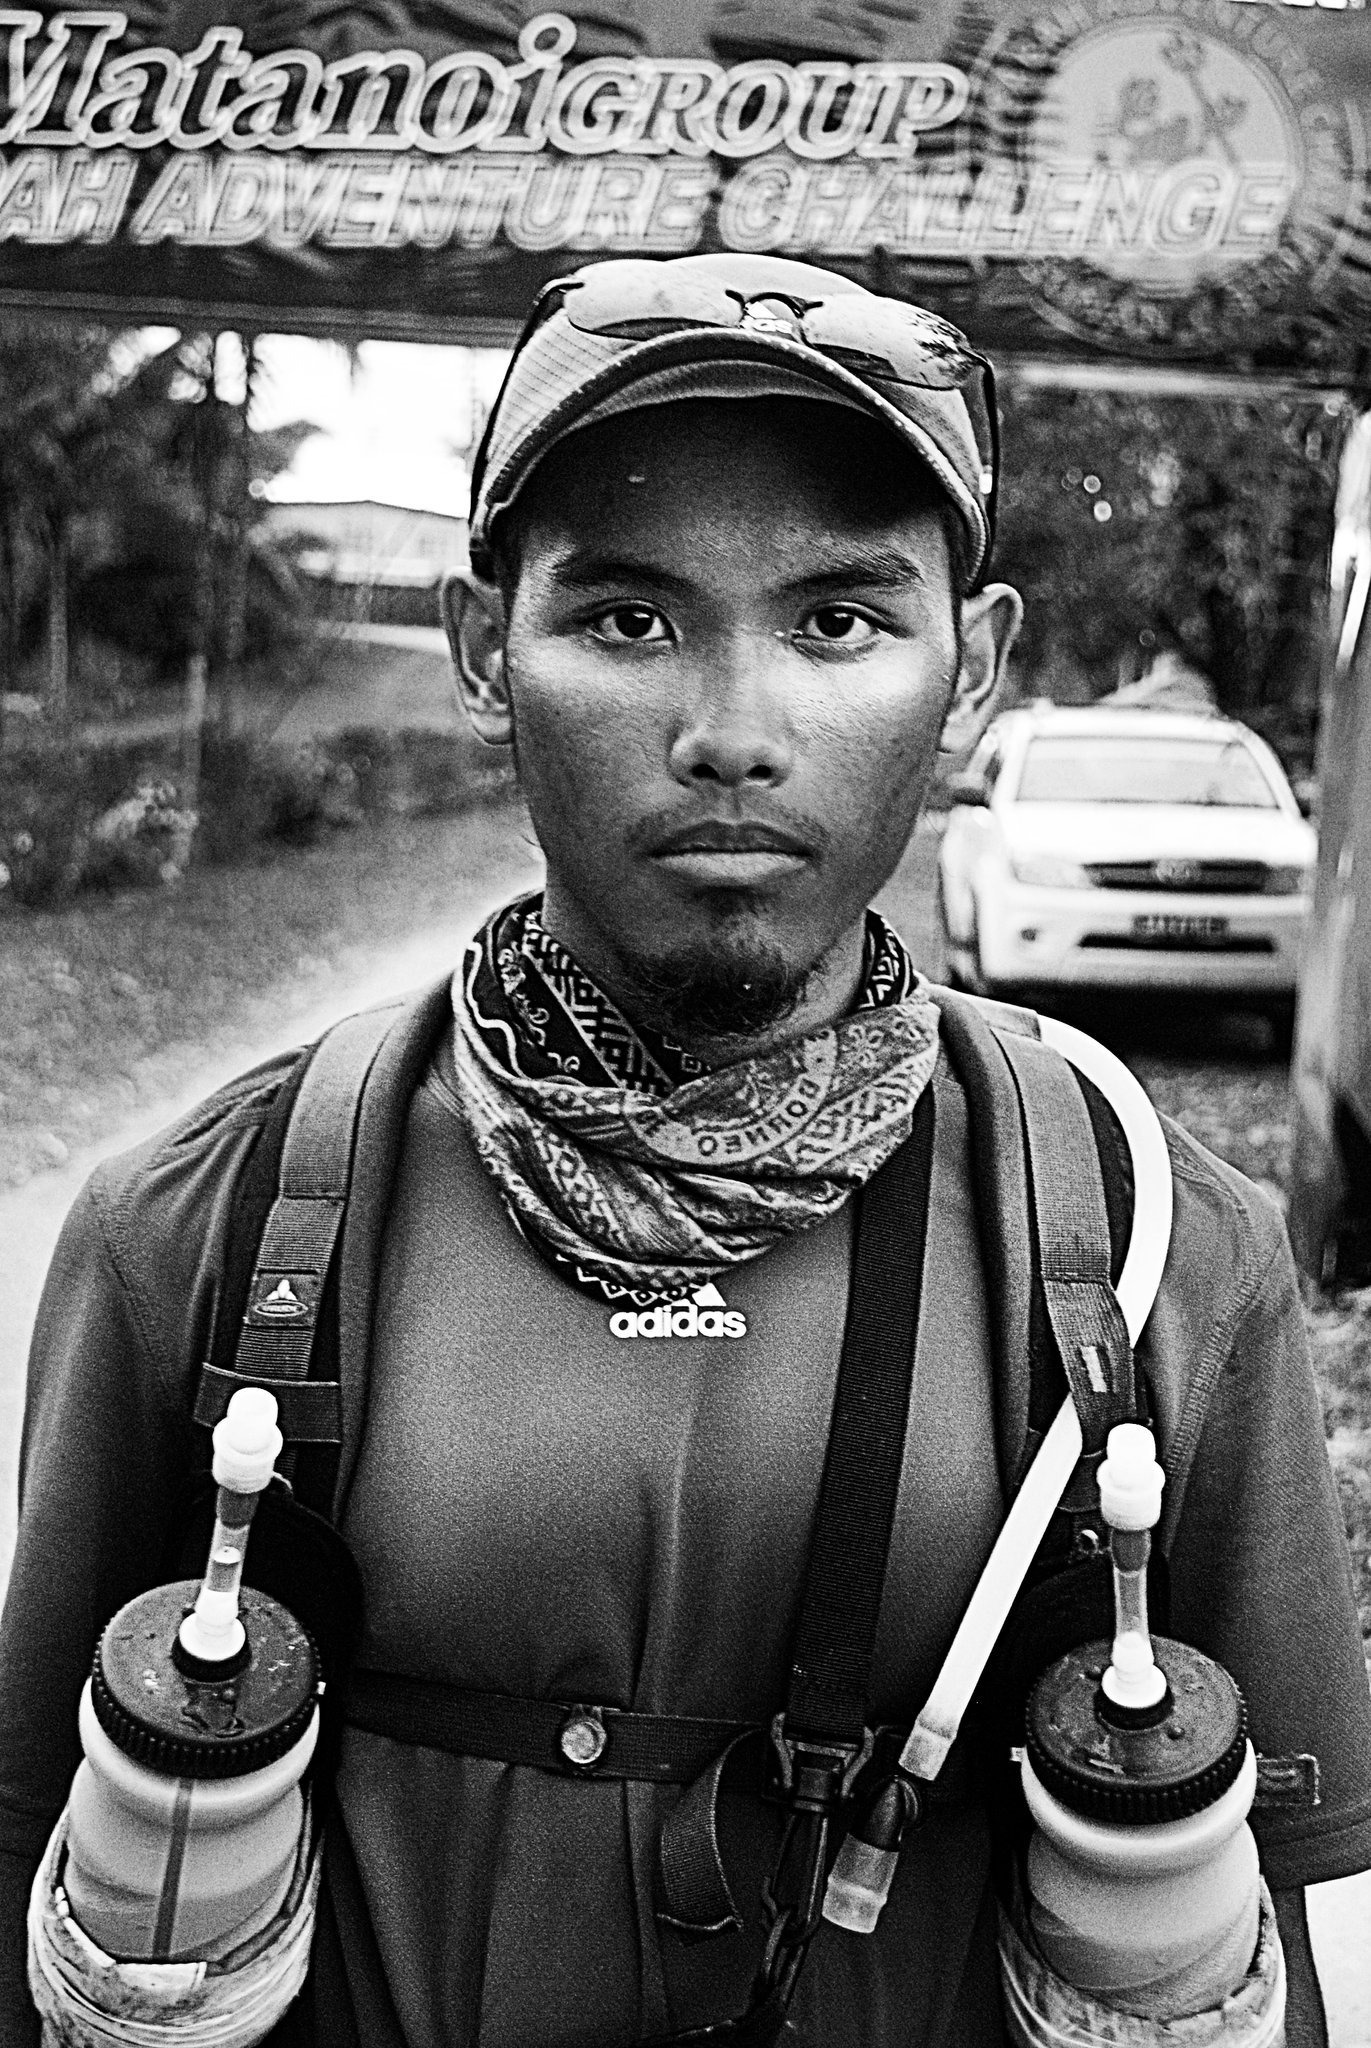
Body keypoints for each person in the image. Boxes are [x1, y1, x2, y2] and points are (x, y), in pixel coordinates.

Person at [2, 253, 1369, 2048]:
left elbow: (1275, 1959)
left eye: (838, 621)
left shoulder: (1158, 1257)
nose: (731, 735)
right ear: (483, 650)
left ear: (974, 670)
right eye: (630, 619)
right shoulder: (200, 1231)